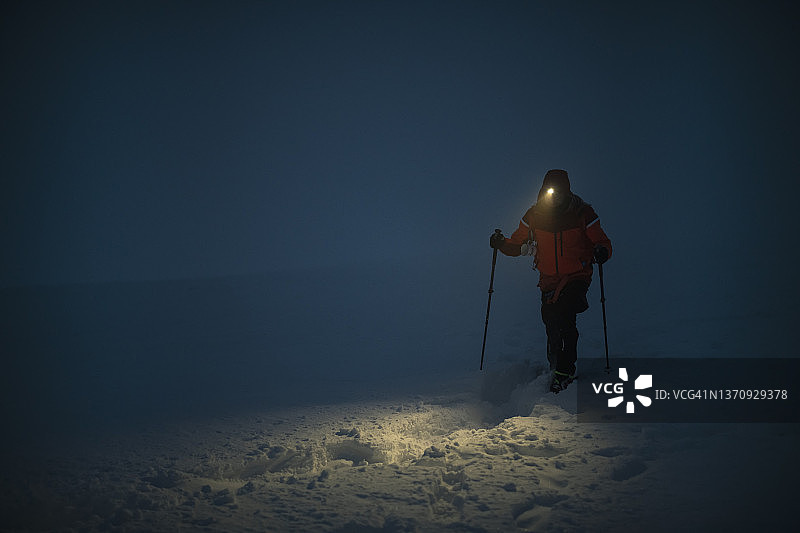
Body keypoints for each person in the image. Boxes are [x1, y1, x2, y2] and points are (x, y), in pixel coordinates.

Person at [490, 169, 612, 393]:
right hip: (548, 279)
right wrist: (501, 243)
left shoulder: (582, 213)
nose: (554, 197)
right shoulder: (535, 215)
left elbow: (602, 242)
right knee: (550, 321)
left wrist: (601, 251)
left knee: (566, 317)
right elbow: (517, 244)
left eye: (558, 192)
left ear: (567, 192)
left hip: (577, 275)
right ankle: (555, 364)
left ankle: (565, 372)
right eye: (549, 192)